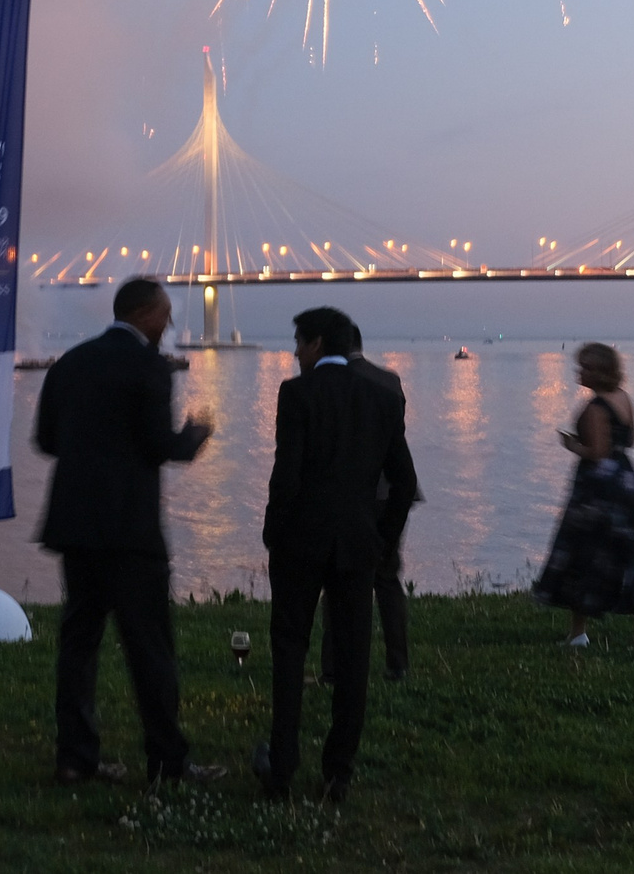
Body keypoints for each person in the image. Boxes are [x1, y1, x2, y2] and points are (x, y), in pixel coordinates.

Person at [33, 276, 219, 786]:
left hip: (75, 526)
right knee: (150, 648)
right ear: (142, 314)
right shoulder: (149, 368)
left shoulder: (70, 363)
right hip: (131, 532)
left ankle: (75, 759)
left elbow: (46, 439)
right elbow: (162, 446)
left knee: (79, 644)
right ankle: (167, 761)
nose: (170, 324)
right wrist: (196, 436)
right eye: (165, 314)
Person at [253, 307, 416, 803]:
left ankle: (281, 769)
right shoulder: (382, 396)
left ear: (318, 343)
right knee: (353, 656)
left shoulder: (296, 394)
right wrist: (382, 538)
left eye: (298, 343)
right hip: (357, 545)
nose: (295, 353)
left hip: (301, 542)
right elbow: (404, 483)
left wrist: (273, 532)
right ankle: (338, 772)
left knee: (289, 649)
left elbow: (288, 475)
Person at [533, 342, 634, 652]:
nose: (580, 372)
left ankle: (579, 633)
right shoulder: (624, 399)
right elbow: (628, 441)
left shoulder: (594, 407)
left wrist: (572, 445)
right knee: (628, 553)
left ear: (601, 371)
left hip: (597, 490)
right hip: (626, 481)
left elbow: (597, 453)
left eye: (586, 367)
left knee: (583, 552)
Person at [325, 326, 420, 684]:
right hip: (392, 490)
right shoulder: (389, 380)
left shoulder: (332, 382)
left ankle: (335, 668)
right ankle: (398, 663)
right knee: (387, 577)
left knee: (338, 580)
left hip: (353, 494)